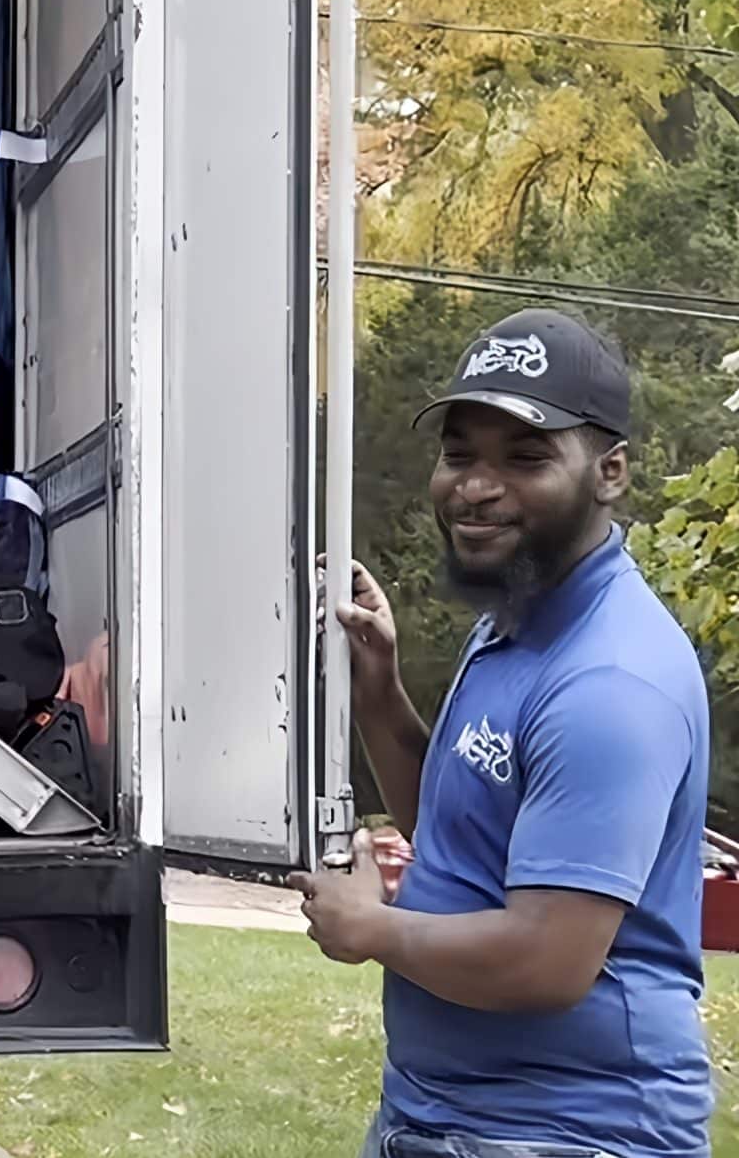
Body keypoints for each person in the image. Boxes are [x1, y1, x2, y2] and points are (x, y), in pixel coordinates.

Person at [297, 309, 711, 1158]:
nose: (477, 486)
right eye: (460, 454)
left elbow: (548, 958)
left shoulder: (611, 680)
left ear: (611, 472)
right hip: (446, 1117)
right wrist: (380, 695)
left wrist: (370, 929)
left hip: (568, 1134)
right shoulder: (519, 619)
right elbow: (466, 837)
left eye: (525, 457)